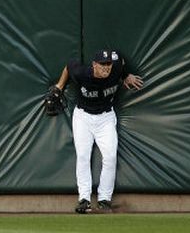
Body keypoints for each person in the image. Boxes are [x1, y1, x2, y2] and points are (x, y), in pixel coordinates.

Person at [54, 49, 143, 213]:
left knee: (110, 156)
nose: (106, 68)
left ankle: (104, 200)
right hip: (83, 117)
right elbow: (68, 66)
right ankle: (84, 199)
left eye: (108, 64)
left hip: (106, 118)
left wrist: (127, 75)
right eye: (102, 64)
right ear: (94, 65)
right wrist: (59, 86)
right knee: (83, 156)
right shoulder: (81, 73)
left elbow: (121, 62)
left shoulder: (115, 67)